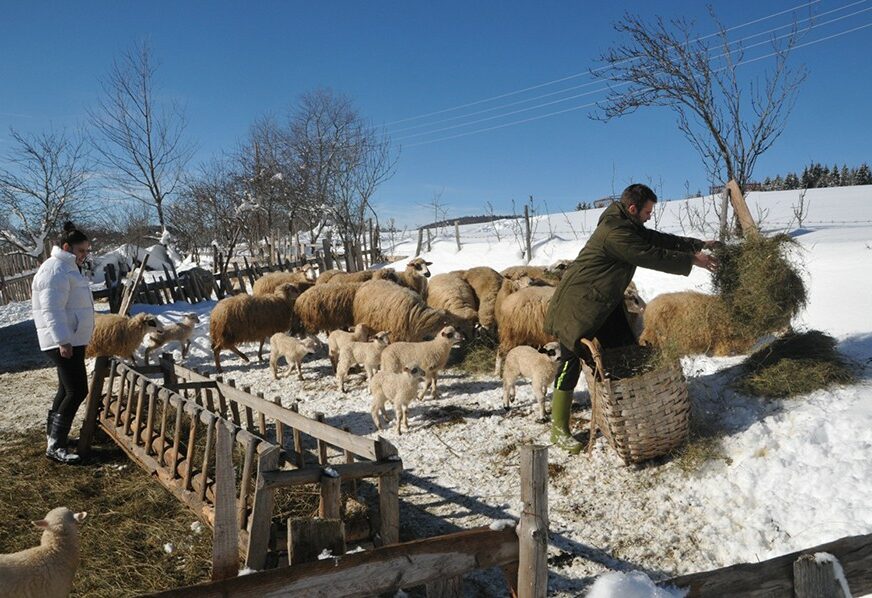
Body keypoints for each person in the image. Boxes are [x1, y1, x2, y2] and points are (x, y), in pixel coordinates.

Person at [543, 183, 719, 454]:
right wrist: (691, 261)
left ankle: (628, 411)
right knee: (570, 361)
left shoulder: (626, 223)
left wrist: (696, 245)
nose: (650, 215)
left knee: (624, 349)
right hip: (578, 306)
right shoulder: (616, 233)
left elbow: (655, 239)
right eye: (647, 211)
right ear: (633, 208)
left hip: (603, 301)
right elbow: (650, 255)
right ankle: (558, 429)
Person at [31, 221, 95, 464]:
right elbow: (52, 309)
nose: (84, 255)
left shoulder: (66, 267)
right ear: (67, 247)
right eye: (81, 251)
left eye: (87, 251)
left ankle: (53, 438)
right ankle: (56, 446)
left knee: (66, 389)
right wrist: (63, 340)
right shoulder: (55, 269)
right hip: (64, 340)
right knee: (78, 390)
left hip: (71, 338)